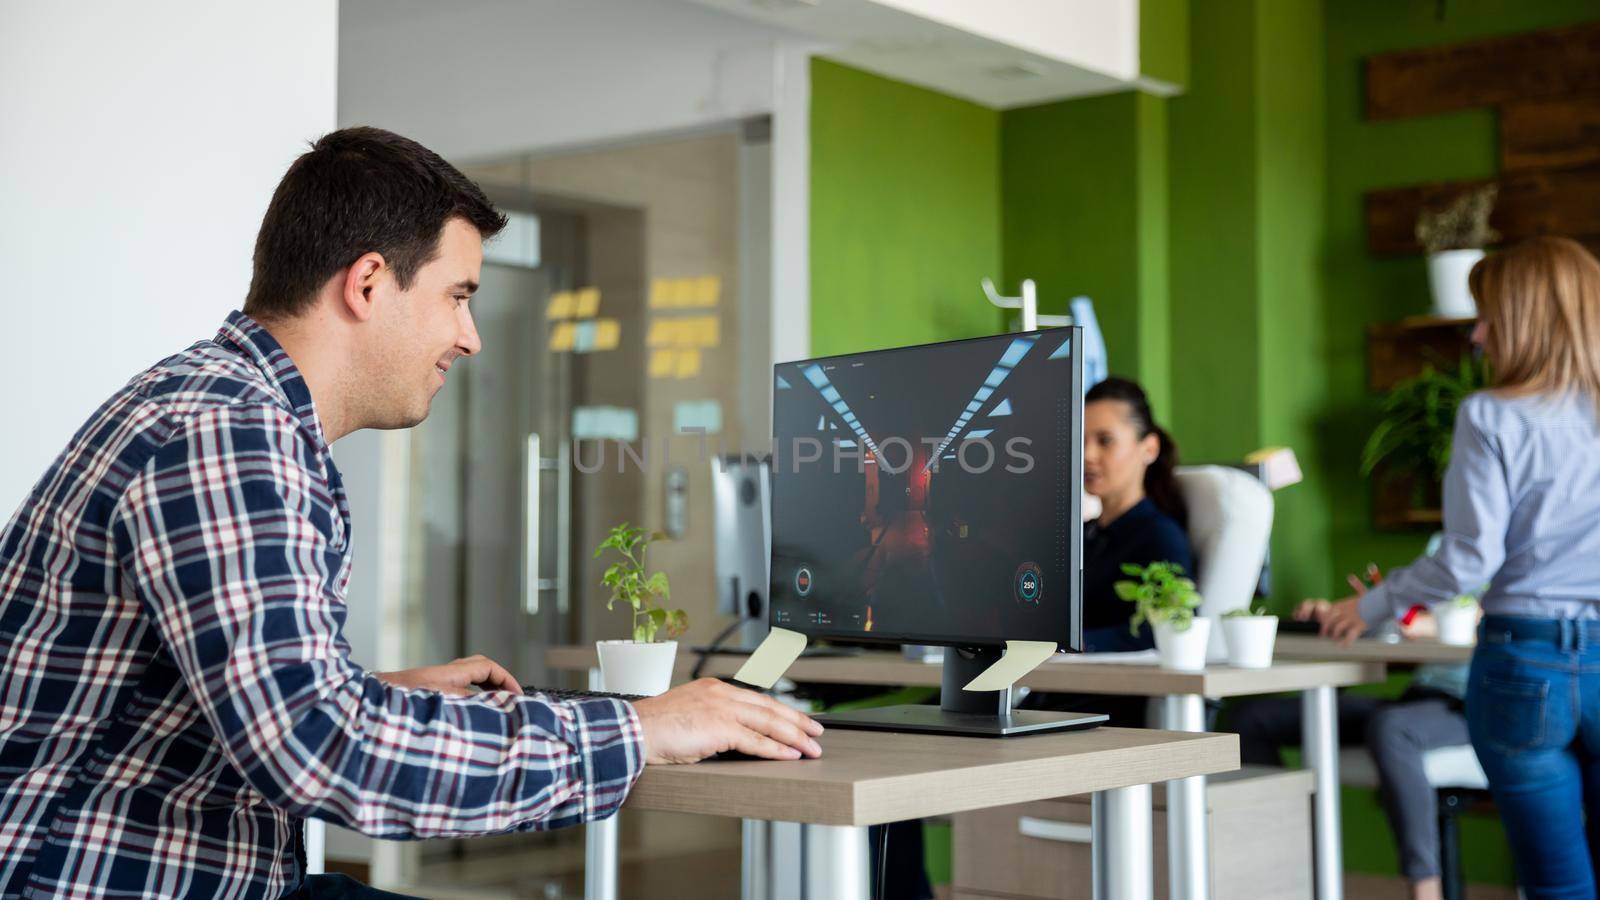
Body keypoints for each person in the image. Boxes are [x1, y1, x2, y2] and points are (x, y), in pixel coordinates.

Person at [0, 127, 822, 899]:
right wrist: (639, 733)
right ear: (366, 284)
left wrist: (372, 692)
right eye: (456, 295)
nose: (470, 337)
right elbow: (319, 747)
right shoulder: (228, 432)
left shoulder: (243, 415)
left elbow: (238, 703)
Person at [1319, 236, 1600, 899]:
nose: (1477, 336)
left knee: (1557, 884)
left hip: (1524, 666)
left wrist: (1373, 605)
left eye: (1489, 317)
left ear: (1529, 321)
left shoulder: (1492, 414)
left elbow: (1472, 557)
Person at [1230, 564, 1470, 900]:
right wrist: (1346, 616)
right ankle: (1288, 864)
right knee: (1254, 720)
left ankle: (1426, 888)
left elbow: (1474, 620)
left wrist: (1400, 615)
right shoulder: (1440, 549)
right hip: (1418, 698)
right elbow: (1406, 618)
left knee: (1392, 728)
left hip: (1472, 707)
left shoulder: (1500, 553)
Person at [1022, 376, 1193, 726]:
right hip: (1049, 692)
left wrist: (1067, 643)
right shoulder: (1084, 535)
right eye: (1080, 440)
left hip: (1105, 709)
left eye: (1105, 441)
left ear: (1149, 449)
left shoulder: (1160, 536)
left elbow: (1160, 630)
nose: (1087, 455)